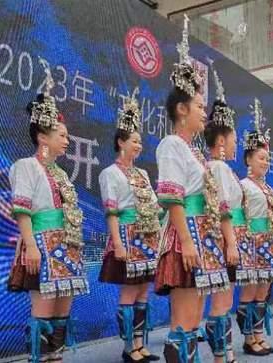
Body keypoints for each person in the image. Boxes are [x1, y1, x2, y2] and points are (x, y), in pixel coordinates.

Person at [154, 16, 229, 362]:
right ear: (182, 110)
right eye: (200, 107)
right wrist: (185, 241)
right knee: (183, 323)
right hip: (189, 237)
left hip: (202, 236)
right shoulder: (171, 145)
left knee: (194, 321)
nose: (204, 114)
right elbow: (172, 197)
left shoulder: (193, 151)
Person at [7, 70, 89, 363]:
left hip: (65, 248)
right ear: (43, 136)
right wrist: (30, 245)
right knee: (42, 312)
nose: (67, 141)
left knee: (61, 315)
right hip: (41, 245)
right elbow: (23, 210)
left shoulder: (61, 173)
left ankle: (56, 359)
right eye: (62, 135)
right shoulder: (26, 166)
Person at [98, 90, 161, 363]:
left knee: (144, 290)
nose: (139, 145)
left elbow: (156, 207)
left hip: (147, 237)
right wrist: (119, 243)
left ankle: (140, 343)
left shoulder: (143, 174)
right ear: (121, 142)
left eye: (140, 141)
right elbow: (111, 212)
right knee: (129, 290)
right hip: (126, 235)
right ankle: (128, 348)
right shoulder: (109, 174)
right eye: (134, 141)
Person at [236, 98, 273, 355]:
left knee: (263, 293)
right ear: (248, 159)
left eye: (267, 158)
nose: (265, 162)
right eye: (261, 158)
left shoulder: (268, 187)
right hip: (251, 243)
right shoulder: (243, 186)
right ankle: (247, 340)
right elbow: (237, 218)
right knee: (249, 292)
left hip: (269, 243)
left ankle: (258, 335)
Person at [201, 65, 242, 363]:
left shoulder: (216, 167)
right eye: (233, 139)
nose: (236, 144)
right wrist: (231, 242)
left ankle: (225, 352)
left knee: (223, 298)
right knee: (221, 298)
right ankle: (221, 355)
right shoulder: (218, 168)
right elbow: (224, 210)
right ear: (221, 142)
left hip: (219, 239)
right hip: (219, 239)